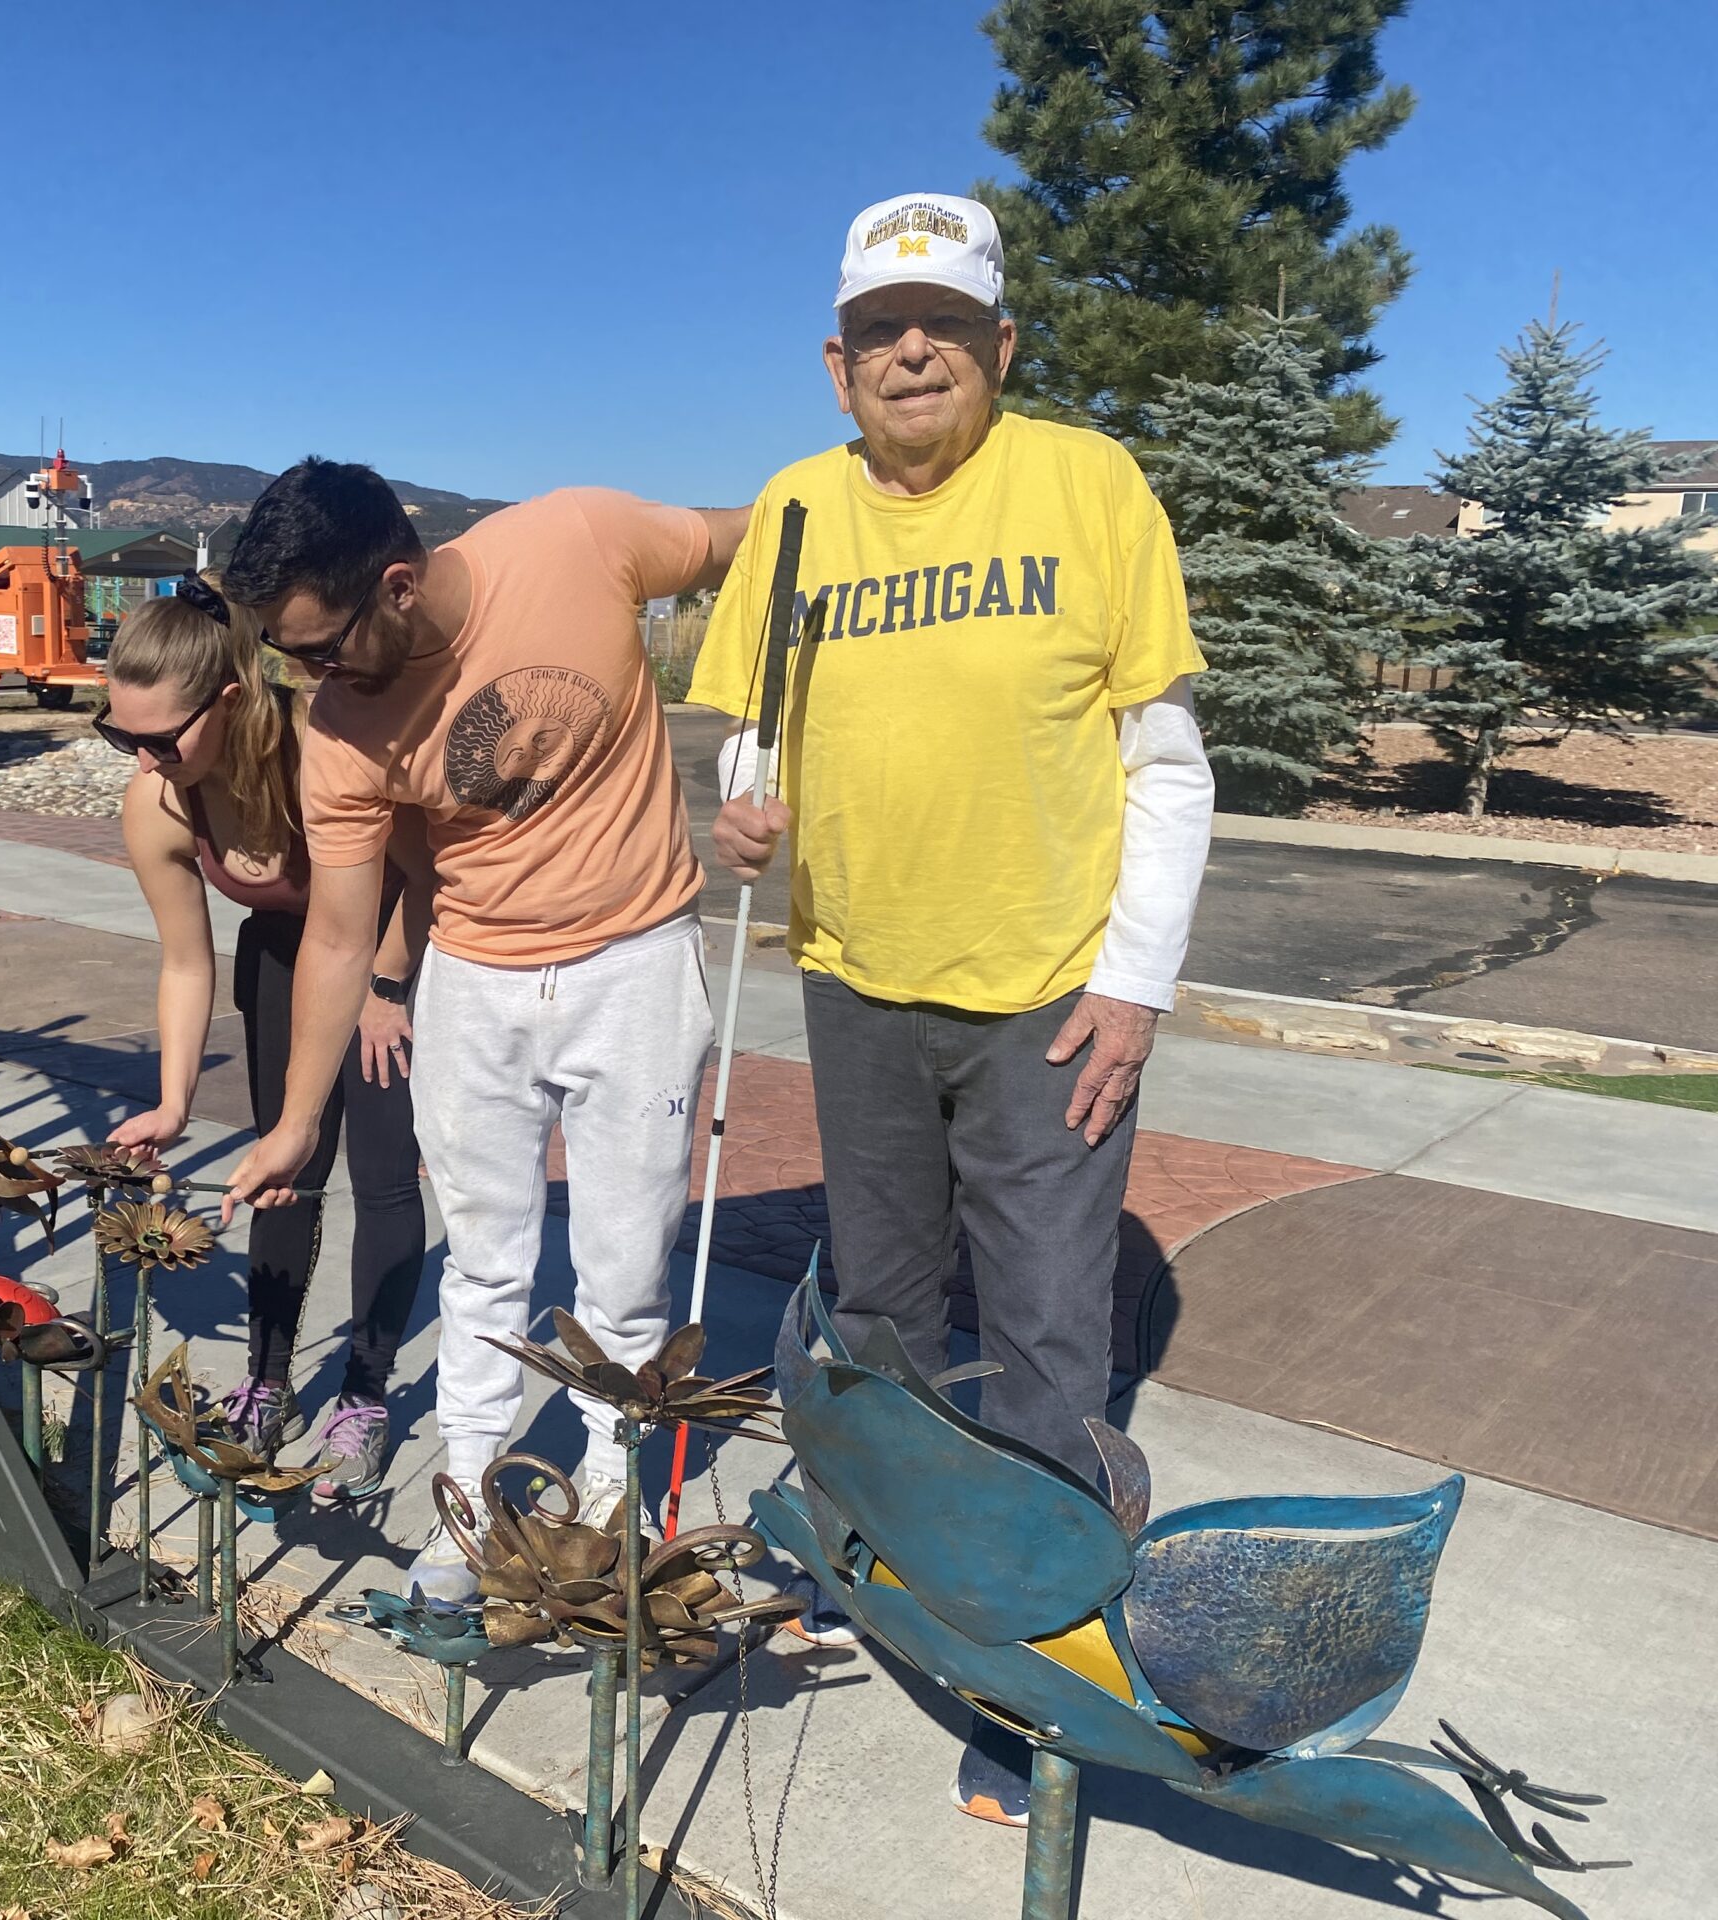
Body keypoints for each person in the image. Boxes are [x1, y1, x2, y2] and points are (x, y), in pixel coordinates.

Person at [692, 191, 1214, 1828]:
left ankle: (1038, 1670)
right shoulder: (792, 514)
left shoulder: (1085, 483)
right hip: (856, 983)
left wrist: (1134, 987)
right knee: (887, 1329)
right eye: (875, 328)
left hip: (1048, 999)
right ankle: (895, 1585)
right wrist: (745, 805)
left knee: (1055, 1349)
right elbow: (751, 739)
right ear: (833, 364)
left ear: (1003, 344)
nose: (908, 348)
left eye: (942, 320)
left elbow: (1171, 765)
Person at [216, 459, 747, 1600]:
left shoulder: (576, 538)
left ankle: (605, 1520)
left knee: (623, 1266)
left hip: (637, 964)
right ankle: (468, 1518)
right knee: (487, 1267)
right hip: (476, 982)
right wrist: (296, 1124)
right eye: (283, 654)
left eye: (317, 648)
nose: (305, 677)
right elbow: (339, 938)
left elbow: (748, 538)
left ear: (397, 586)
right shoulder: (340, 732)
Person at [101, 576, 431, 1502]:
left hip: (394, 949)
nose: (142, 757)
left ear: (232, 701)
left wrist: (386, 984)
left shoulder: (323, 747)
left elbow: (423, 867)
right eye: (120, 734)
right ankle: (268, 1379)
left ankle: (364, 1395)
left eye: (161, 738)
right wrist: (170, 1102)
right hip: (286, 957)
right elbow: (183, 963)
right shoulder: (157, 801)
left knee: (382, 1173)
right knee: (284, 1172)